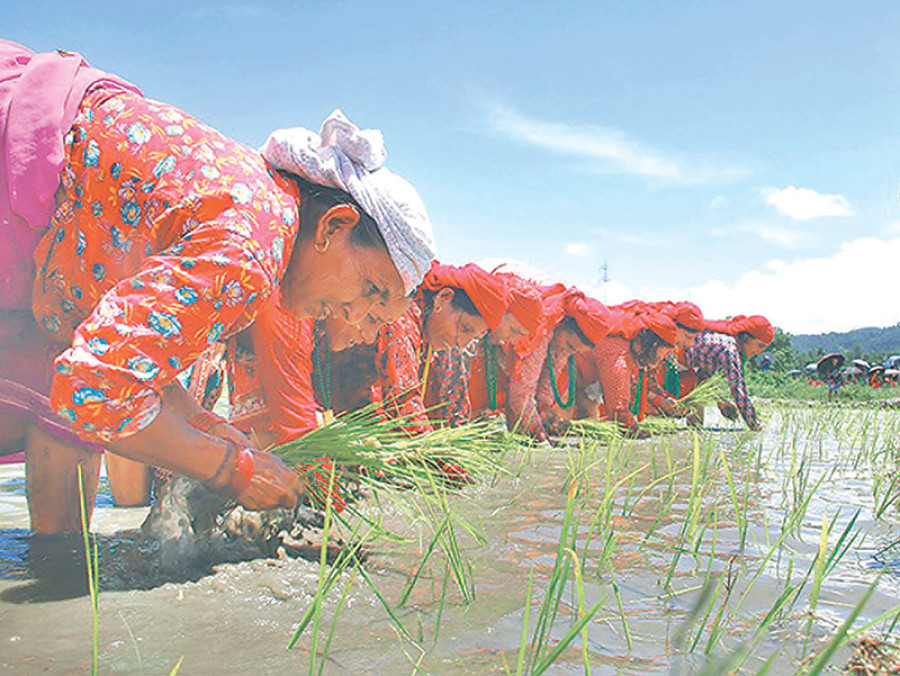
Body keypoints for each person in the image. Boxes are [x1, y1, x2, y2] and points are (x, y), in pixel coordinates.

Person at [0, 41, 435, 533]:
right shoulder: (252, 251)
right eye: (372, 290)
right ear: (333, 226)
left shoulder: (260, 202)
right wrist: (234, 471)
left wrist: (205, 425)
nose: (353, 317)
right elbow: (93, 390)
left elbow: (131, 354)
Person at [571, 305, 678, 437]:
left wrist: (659, 400)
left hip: (584, 379)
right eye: (659, 356)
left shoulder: (632, 348)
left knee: (584, 423)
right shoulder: (618, 352)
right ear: (650, 344)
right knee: (561, 426)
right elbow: (618, 410)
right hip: (568, 374)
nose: (657, 363)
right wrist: (635, 431)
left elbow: (628, 384)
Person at [684, 315, 773, 430]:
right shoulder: (730, 348)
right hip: (671, 365)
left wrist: (720, 401)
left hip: (681, 367)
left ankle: (694, 431)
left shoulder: (723, 342)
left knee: (697, 391)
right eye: (760, 345)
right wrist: (754, 424)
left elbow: (702, 378)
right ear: (746, 338)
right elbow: (737, 388)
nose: (758, 352)